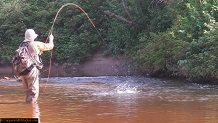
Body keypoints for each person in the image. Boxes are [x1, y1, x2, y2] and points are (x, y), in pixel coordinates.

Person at [20, 29, 54, 103]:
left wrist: (37, 53)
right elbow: (50, 46)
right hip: (31, 70)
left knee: (28, 92)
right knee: (33, 93)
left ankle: (27, 111)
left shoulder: (22, 45)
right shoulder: (35, 44)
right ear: (33, 36)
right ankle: (33, 111)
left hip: (22, 71)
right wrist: (51, 39)